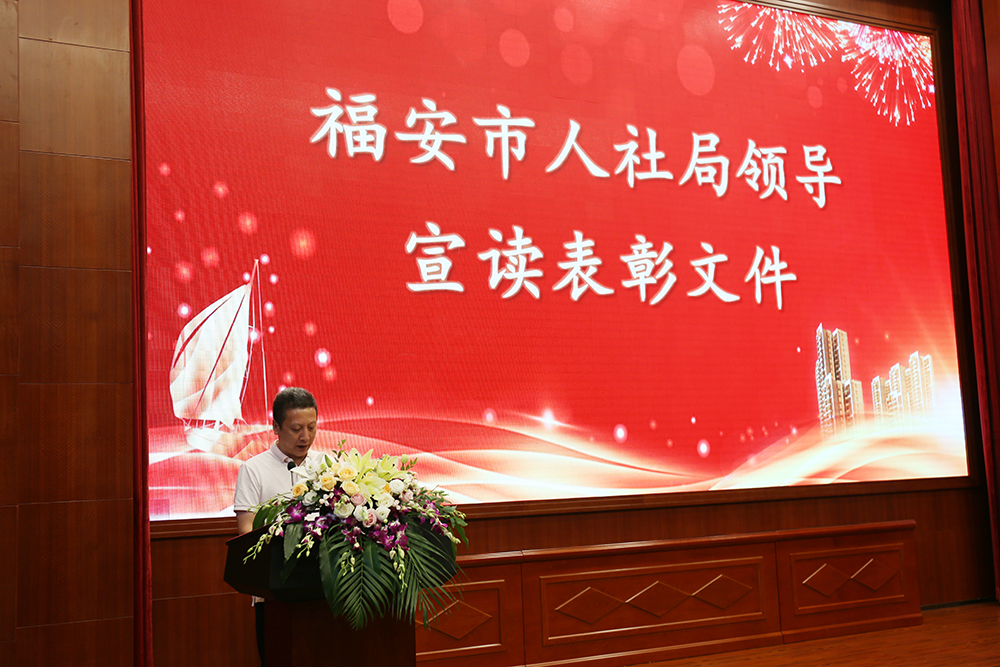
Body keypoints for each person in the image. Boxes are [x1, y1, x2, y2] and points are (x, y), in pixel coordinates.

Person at [233, 386, 319, 665]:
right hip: (273, 594)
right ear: (276, 427)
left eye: (311, 427)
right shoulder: (253, 469)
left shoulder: (327, 466)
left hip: (321, 590)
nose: (305, 437)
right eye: (296, 429)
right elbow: (246, 531)